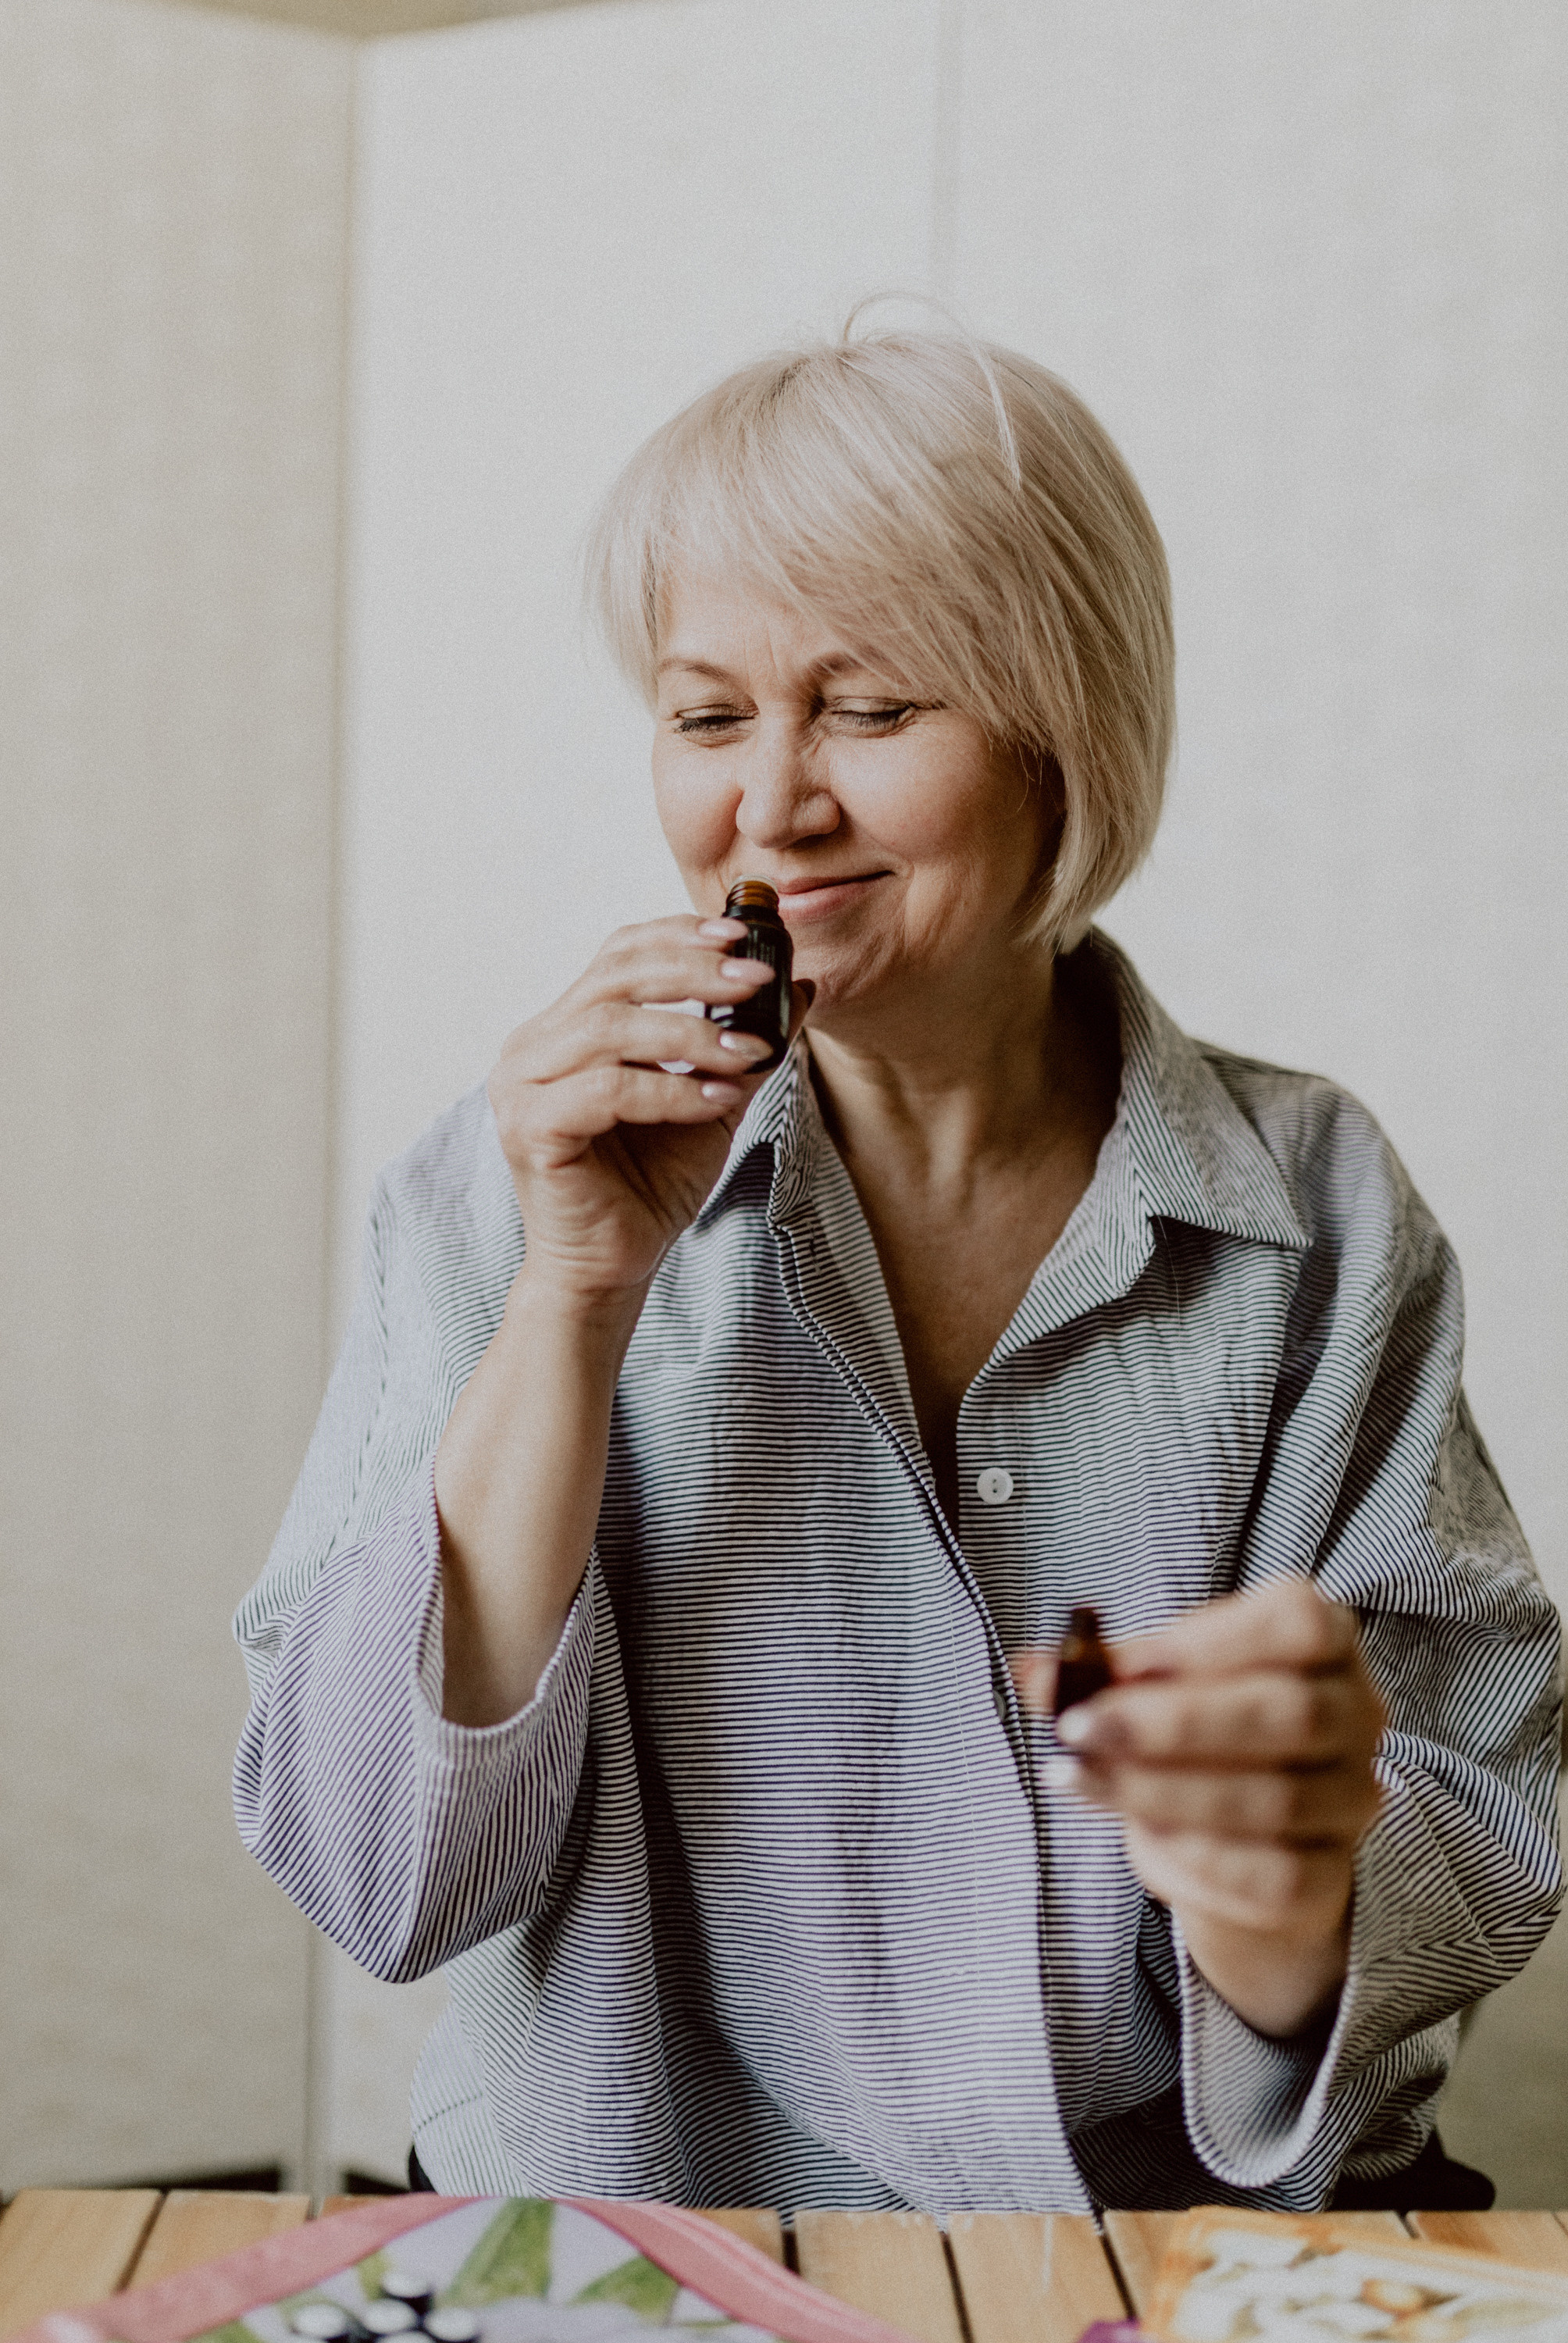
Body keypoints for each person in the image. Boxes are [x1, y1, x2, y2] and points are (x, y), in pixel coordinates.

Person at [233, 326, 1560, 2215]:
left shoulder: (1317, 1208)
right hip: (649, 2273)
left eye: (866, 710)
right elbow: (377, 1876)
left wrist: (1285, 1904)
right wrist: (571, 1300)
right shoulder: (499, 1189)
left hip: (1175, 2275)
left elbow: (1472, 1822)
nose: (769, 806)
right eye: (706, 719)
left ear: (1059, 731)